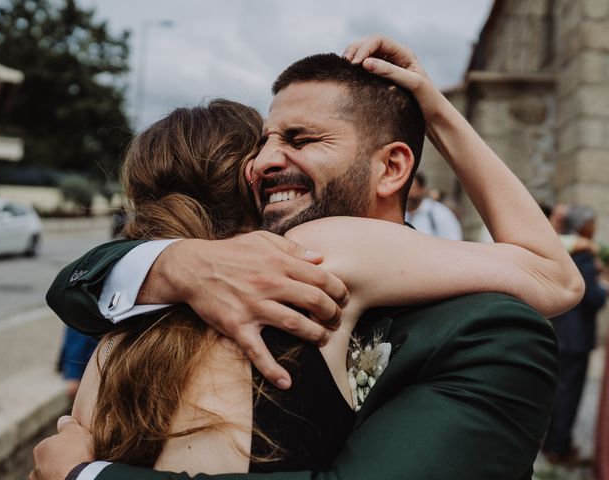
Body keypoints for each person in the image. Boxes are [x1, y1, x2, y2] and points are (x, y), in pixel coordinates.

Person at [31, 36, 583, 480]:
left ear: (392, 168)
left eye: (299, 138)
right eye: (262, 142)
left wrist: (86, 475)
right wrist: (178, 263)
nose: (265, 161)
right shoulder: (224, 274)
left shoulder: (482, 326)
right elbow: (72, 286)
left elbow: (553, 279)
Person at [543, 205, 607, 465]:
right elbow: (592, 297)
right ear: (583, 225)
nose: (595, 227)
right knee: (569, 393)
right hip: (577, 337)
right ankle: (558, 447)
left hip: (560, 332)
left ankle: (551, 442)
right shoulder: (584, 254)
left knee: (559, 391)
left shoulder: (564, 249)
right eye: (592, 222)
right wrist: (603, 289)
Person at [405, 171, 462, 240]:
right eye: (405, 189)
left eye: (412, 188)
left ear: (422, 189)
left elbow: (453, 241)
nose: (408, 193)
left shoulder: (439, 213)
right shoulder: (402, 213)